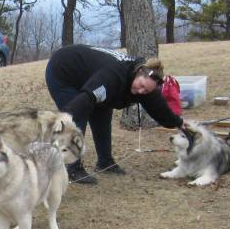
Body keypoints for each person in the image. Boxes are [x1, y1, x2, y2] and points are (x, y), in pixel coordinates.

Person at [45, 44, 183, 184]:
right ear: (138, 73)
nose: (141, 91)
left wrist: (180, 123)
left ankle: (105, 162)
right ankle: (72, 168)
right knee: (78, 117)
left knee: (103, 113)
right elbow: (85, 100)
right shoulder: (113, 77)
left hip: (91, 76)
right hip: (63, 70)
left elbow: (161, 111)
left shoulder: (148, 84)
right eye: (141, 86)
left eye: (146, 91)